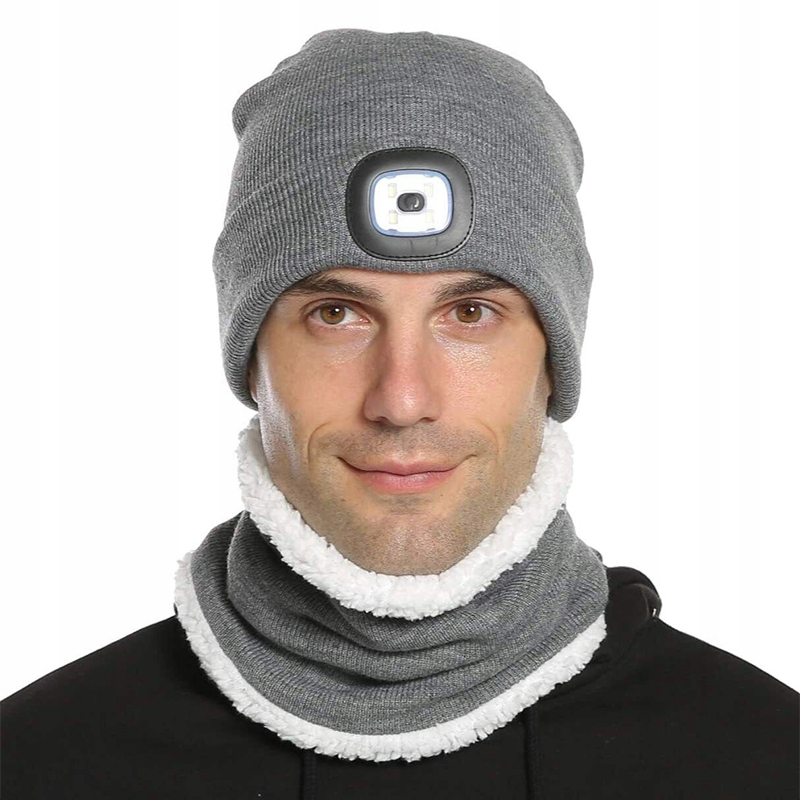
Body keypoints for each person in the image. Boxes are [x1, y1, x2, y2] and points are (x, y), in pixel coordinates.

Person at [2, 29, 797, 800]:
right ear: (249, 356)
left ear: (555, 358)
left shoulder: (764, 759)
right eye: (337, 314)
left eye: (471, 313)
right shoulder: (38, 762)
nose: (403, 399)